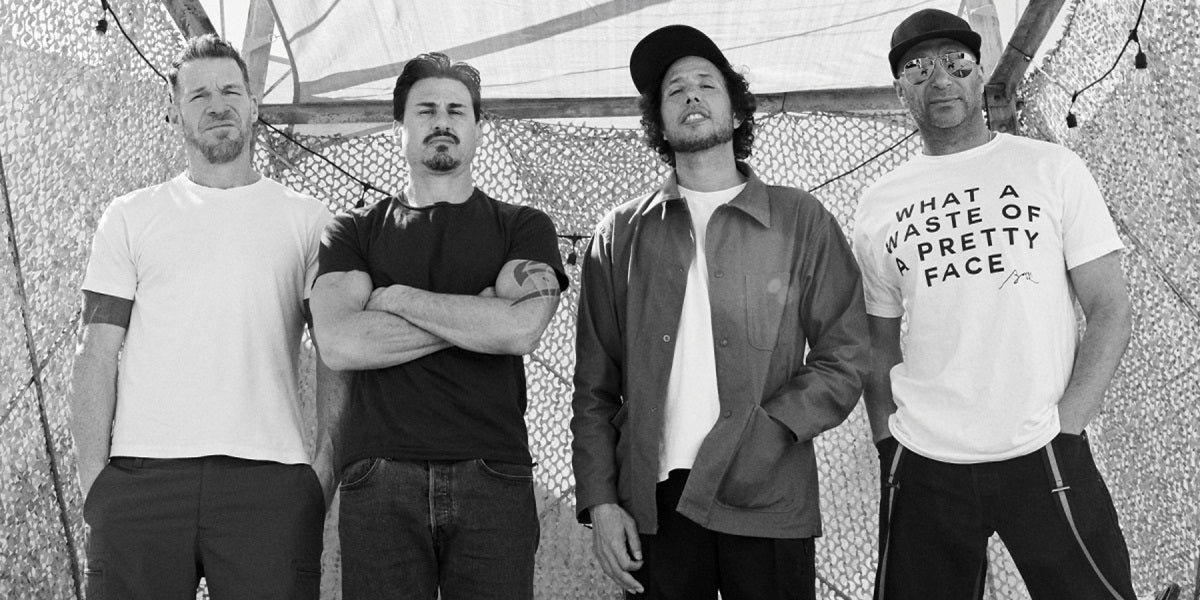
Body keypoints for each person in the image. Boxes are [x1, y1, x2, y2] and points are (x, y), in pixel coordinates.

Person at [571, 24, 870, 600]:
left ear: (736, 112)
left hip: (767, 494)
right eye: (674, 89)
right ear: (659, 124)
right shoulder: (620, 233)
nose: (691, 94)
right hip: (654, 505)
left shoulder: (801, 219)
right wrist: (601, 501)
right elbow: (594, 388)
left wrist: (771, 431)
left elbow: (847, 353)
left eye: (707, 84)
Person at [853, 8, 1137, 600]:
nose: (940, 79)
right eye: (918, 68)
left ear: (980, 74)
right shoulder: (880, 203)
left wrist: (1067, 425)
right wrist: (888, 444)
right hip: (924, 456)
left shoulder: (1050, 168)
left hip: (1043, 445)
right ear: (899, 90)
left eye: (956, 63)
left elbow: (1110, 306)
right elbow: (877, 343)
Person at [66, 34, 332, 599]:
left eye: (231, 91)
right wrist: (96, 487)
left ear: (254, 104)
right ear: (173, 112)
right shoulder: (130, 216)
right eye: (199, 95)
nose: (218, 105)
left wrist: (323, 472)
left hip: (271, 483)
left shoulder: (310, 221)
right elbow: (96, 353)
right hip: (141, 483)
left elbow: (336, 352)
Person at [309, 52, 568, 600]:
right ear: (399, 127)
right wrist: (479, 313)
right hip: (380, 473)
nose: (442, 121)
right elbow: (339, 343)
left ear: (478, 128)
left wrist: (396, 299)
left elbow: (521, 330)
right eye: (425, 110)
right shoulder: (352, 231)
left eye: (457, 110)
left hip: (494, 472)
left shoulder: (522, 226)